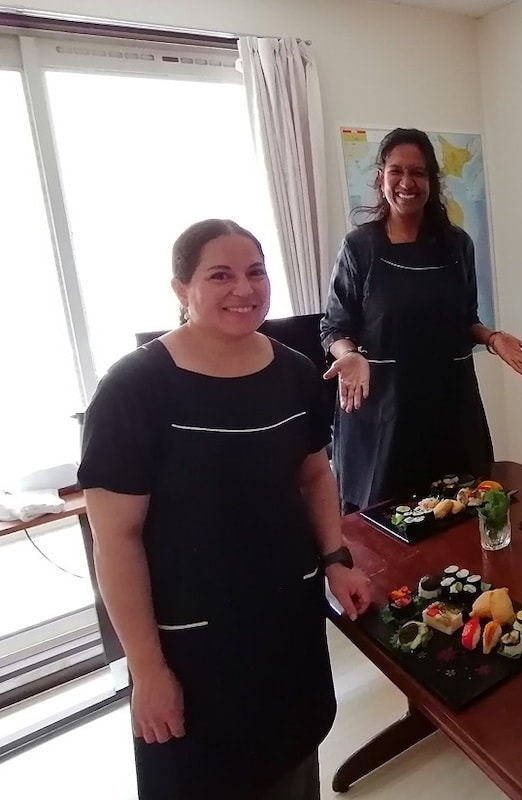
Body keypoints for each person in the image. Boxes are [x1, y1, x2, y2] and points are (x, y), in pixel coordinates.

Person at [79, 219, 373, 800]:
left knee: (292, 764)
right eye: (221, 275)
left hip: (286, 624)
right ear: (181, 289)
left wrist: (336, 557)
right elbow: (115, 540)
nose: (245, 289)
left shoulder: (293, 372)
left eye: (256, 272)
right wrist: (147, 669)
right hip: (191, 648)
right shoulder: (134, 390)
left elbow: (315, 474)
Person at [321, 128, 522, 513]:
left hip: (449, 410)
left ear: (432, 182)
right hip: (385, 417)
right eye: (396, 172)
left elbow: (465, 321)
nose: (407, 183)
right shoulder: (359, 248)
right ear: (380, 178)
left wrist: (492, 338)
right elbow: (334, 327)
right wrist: (350, 356)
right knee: (389, 536)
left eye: (419, 173)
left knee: (461, 520)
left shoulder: (457, 245)